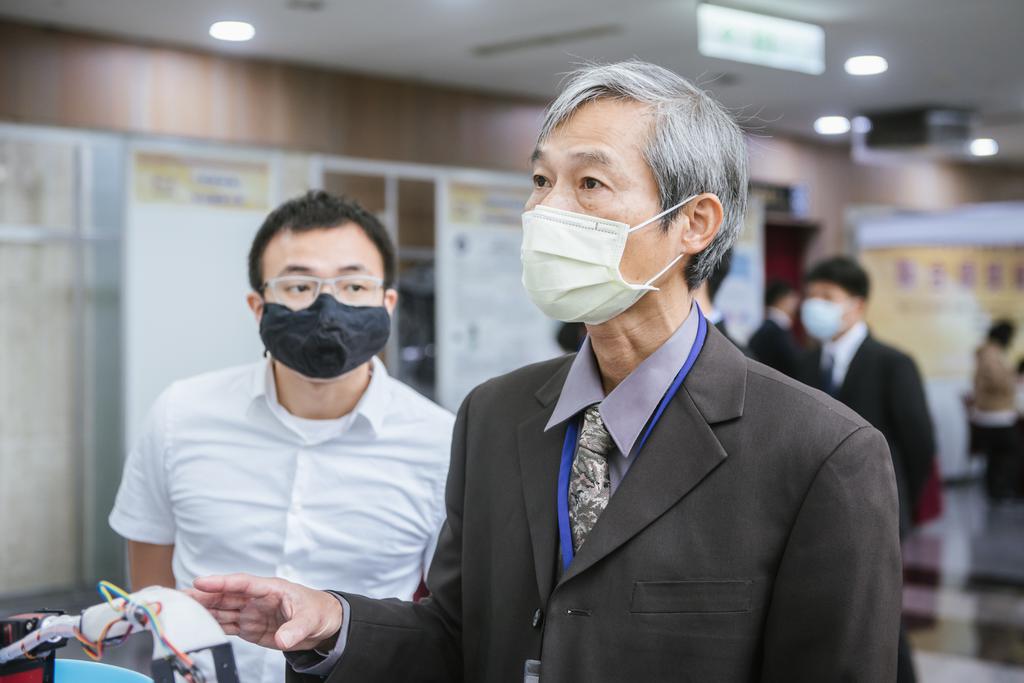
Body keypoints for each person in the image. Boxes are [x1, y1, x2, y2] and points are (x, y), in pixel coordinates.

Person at [192, 61, 901, 682]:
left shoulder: (819, 453)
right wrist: (334, 622)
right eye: (540, 180)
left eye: (589, 182)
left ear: (694, 223)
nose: (545, 210)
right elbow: (459, 635)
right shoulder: (496, 415)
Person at [108, 191, 454, 683]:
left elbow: (445, 615)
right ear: (258, 306)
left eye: (354, 285)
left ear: (388, 304)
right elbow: (152, 586)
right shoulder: (180, 416)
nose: (328, 307)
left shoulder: (440, 442)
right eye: (299, 286)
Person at [796, 255, 935, 683]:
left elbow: (919, 442)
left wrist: (898, 500)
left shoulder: (892, 363)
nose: (815, 305)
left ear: (857, 304)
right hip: (816, 512)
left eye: (827, 297)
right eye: (811, 296)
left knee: (879, 613)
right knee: (828, 610)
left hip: (878, 508)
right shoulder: (805, 364)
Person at [971, 320, 1021, 500]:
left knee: (998, 455)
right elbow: (997, 381)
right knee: (1010, 451)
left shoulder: (989, 352)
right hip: (995, 414)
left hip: (994, 412)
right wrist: (1012, 382)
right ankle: (1001, 490)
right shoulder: (991, 354)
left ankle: (998, 490)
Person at [748, 279, 802, 378]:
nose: (796, 304)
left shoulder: (766, 329)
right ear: (783, 299)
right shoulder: (775, 332)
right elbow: (795, 365)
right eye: (792, 298)